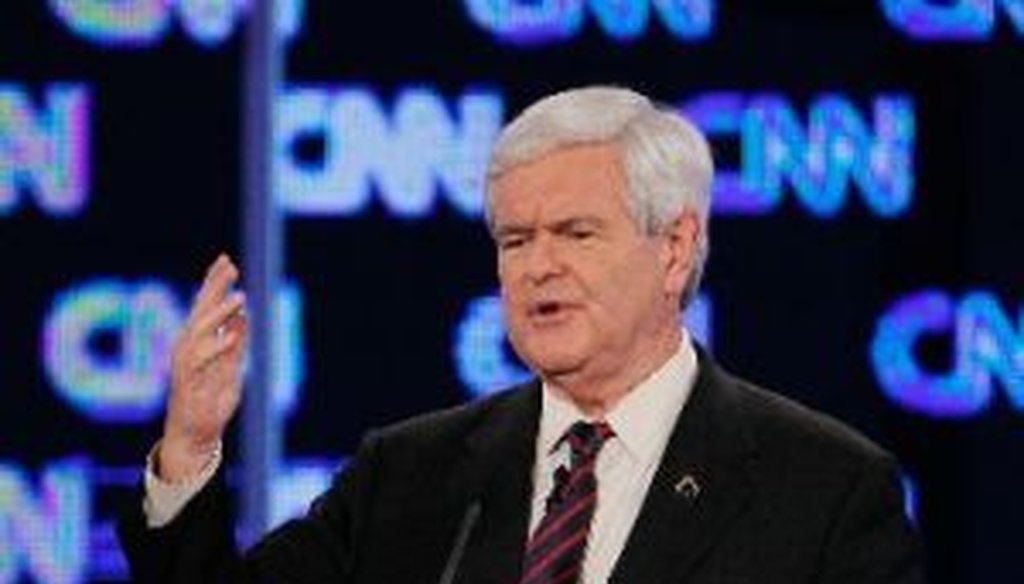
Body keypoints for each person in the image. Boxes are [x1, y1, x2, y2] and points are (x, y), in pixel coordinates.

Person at [118, 86, 925, 583]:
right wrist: (189, 448)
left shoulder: (822, 490)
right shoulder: (408, 476)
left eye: (576, 234)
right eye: (515, 240)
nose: (538, 267)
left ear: (674, 248)